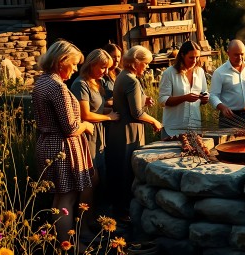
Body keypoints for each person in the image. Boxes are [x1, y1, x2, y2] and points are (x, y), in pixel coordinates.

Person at [32, 40, 95, 242]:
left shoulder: (42, 81)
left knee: (59, 197)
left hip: (48, 143)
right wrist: (86, 125)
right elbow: (71, 128)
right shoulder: (57, 87)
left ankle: (64, 243)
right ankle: (67, 246)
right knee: (67, 198)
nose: (75, 69)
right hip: (61, 147)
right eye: (74, 64)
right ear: (61, 61)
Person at [105, 45, 162, 222]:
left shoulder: (123, 76)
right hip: (128, 132)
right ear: (136, 62)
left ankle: (120, 209)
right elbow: (136, 113)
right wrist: (154, 121)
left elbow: (126, 102)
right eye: (145, 63)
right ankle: (124, 211)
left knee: (119, 168)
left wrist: (143, 100)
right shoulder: (131, 80)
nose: (147, 67)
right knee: (127, 170)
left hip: (120, 130)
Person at [70, 49, 120, 227]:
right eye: (102, 67)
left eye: (107, 68)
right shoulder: (80, 84)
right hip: (87, 135)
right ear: (91, 64)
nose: (105, 72)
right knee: (90, 179)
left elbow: (97, 108)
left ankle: (93, 219)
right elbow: (85, 114)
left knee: (97, 180)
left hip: (98, 135)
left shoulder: (96, 83)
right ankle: (83, 223)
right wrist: (109, 117)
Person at [158, 40, 209, 137]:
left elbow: (204, 92)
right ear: (182, 55)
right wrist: (184, 98)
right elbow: (162, 100)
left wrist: (204, 98)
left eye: (197, 57)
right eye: (191, 57)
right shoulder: (169, 73)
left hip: (194, 127)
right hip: (173, 130)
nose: (194, 61)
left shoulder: (200, 72)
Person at [210, 39, 245, 128]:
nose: (240, 57)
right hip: (229, 117)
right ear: (228, 53)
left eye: (242, 54)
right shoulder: (219, 72)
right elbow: (213, 95)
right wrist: (222, 107)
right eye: (236, 55)